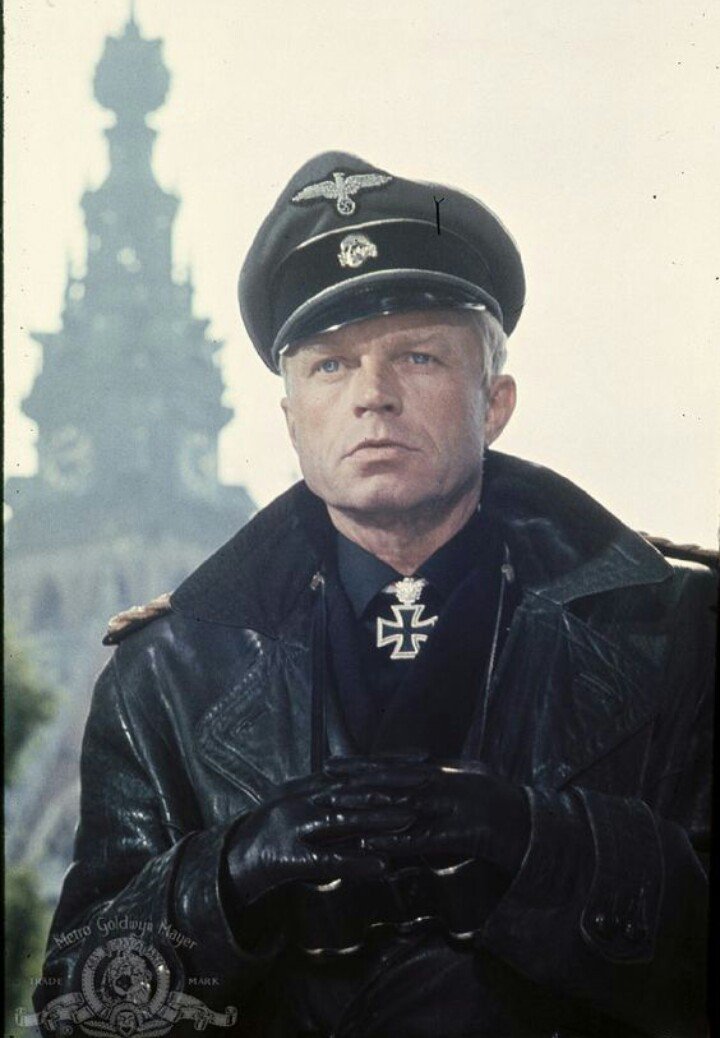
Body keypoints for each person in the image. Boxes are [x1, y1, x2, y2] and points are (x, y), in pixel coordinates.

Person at [36, 152, 714, 1038]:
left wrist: (540, 846)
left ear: (494, 401)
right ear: (291, 420)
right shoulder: (166, 673)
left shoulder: (677, 631)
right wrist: (227, 880)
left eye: (418, 356)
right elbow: (84, 1013)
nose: (373, 398)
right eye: (330, 366)